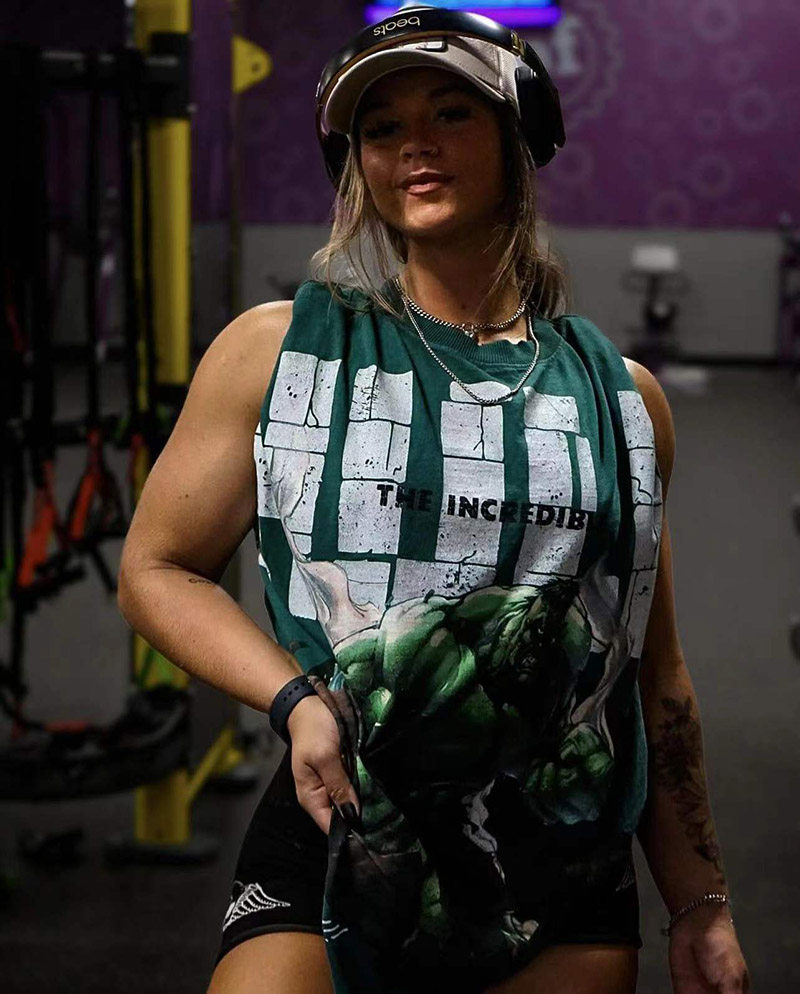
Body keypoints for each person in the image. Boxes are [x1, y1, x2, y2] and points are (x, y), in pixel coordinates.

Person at [117, 7, 750, 994]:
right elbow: (156, 569)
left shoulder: (622, 400)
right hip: (343, 808)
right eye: (382, 127)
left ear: (517, 136)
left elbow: (652, 674)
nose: (414, 143)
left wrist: (699, 900)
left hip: (557, 845)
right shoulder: (278, 353)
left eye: (451, 112)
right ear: (357, 164)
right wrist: (293, 701)